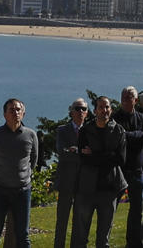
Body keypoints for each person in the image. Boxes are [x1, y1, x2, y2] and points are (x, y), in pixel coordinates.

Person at [0, 98, 40, 248]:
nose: (15, 113)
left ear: (23, 113)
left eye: (18, 110)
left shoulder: (31, 135)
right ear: (5, 114)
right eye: (11, 110)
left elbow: (34, 159)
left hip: (22, 191)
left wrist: (25, 175)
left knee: (23, 235)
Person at [72, 97, 126, 248]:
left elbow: (120, 159)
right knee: (81, 234)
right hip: (87, 188)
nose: (104, 110)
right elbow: (84, 158)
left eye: (107, 107)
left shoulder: (118, 130)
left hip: (109, 188)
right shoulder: (85, 130)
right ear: (95, 111)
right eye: (101, 107)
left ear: (111, 110)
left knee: (104, 237)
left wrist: (94, 154)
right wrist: (107, 155)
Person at [115, 89, 143, 248]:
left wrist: (128, 135)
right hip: (119, 170)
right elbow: (117, 138)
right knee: (111, 207)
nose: (125, 99)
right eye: (123, 97)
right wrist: (137, 135)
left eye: (129, 97)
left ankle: (133, 243)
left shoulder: (142, 118)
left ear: (136, 100)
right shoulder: (115, 117)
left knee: (137, 210)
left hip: (137, 171)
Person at [54, 101, 89, 248]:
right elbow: (62, 153)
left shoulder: (90, 130)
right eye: (77, 108)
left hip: (83, 182)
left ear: (87, 113)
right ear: (71, 112)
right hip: (66, 182)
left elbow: (92, 154)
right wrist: (82, 153)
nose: (80, 111)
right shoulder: (62, 130)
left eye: (83, 109)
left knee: (79, 222)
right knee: (62, 221)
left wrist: (75, 150)